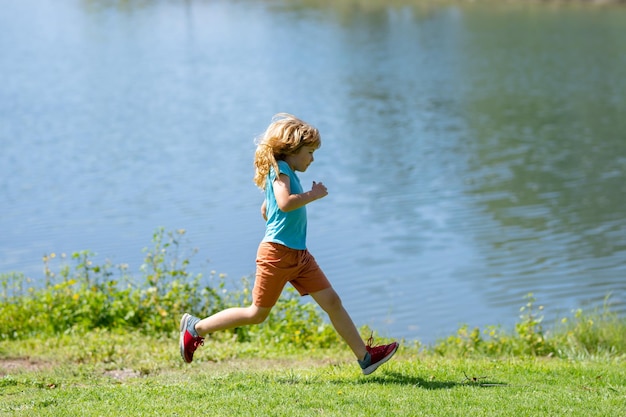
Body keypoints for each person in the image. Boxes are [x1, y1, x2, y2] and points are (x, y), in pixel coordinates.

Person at [179, 113, 398, 375]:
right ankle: (196, 328)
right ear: (293, 150)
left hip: (299, 256)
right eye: (310, 152)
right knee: (257, 314)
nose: (312, 159)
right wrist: (313, 195)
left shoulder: (286, 173)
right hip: (278, 254)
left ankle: (365, 357)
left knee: (332, 301)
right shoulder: (281, 169)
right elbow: (284, 203)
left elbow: (267, 209)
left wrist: (281, 210)